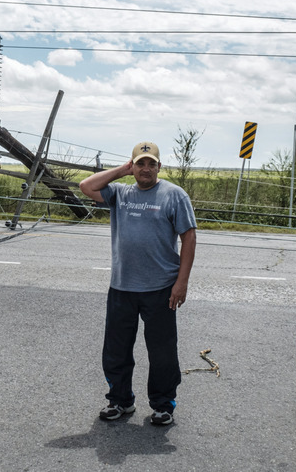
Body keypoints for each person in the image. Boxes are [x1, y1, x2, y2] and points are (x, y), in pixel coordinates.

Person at [78, 141, 197, 426]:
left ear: (159, 167)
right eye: (140, 163)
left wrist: (181, 283)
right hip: (122, 287)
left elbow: (189, 238)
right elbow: (86, 186)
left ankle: (163, 405)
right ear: (132, 166)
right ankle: (120, 401)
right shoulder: (120, 193)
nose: (146, 169)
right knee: (116, 350)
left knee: (162, 352)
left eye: (151, 163)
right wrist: (121, 171)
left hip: (161, 289)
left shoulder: (174, 195)